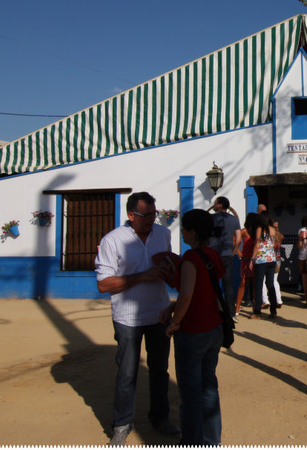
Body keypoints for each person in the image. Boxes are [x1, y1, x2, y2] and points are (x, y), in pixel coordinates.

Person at [95, 191, 180, 445]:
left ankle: (160, 418)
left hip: (159, 313)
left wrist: (171, 273)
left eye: (155, 213)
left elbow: (166, 269)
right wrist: (144, 275)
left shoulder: (163, 234)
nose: (152, 219)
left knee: (160, 371)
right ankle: (121, 424)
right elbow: (104, 284)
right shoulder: (113, 240)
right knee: (127, 374)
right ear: (131, 215)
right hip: (127, 318)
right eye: (147, 215)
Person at [159, 209, 224, 446]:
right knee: (209, 388)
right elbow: (204, 292)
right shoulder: (212, 254)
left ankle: (193, 442)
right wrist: (174, 307)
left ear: (193, 232)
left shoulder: (190, 258)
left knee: (191, 392)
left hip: (193, 331)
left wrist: (175, 321)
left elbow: (187, 294)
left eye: (185, 228)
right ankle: (211, 440)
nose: (183, 232)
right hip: (213, 328)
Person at [210, 196, 241, 315]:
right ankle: (231, 312)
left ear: (220, 205)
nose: (213, 205)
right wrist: (233, 252)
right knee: (228, 284)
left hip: (213, 254)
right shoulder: (234, 220)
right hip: (227, 254)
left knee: (212, 283)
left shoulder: (211, 218)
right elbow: (238, 239)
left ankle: (213, 309)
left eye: (215, 203)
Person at [249, 212, 279, 320]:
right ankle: (273, 311)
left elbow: (257, 244)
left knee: (258, 285)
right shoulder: (273, 229)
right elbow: (275, 243)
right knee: (270, 284)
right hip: (271, 259)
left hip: (261, 259)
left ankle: (257, 311)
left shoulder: (259, 229)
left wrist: (251, 259)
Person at [235, 213, 258, 318]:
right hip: (246, 260)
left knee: (254, 284)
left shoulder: (257, 232)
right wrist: (239, 254)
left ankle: (255, 307)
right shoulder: (244, 231)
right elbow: (234, 240)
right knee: (243, 282)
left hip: (254, 260)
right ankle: (237, 307)